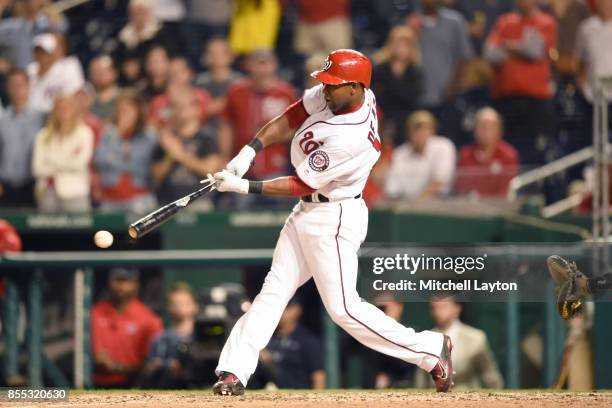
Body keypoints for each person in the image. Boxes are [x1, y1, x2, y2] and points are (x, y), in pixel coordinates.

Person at [210, 49, 453, 396]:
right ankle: (234, 372)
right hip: (308, 212)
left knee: (343, 309)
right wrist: (251, 150)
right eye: (325, 83)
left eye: (334, 86)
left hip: (334, 216)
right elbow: (293, 115)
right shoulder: (346, 95)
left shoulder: (350, 138)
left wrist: (244, 186)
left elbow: (303, 183)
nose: (325, 90)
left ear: (355, 88)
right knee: (272, 292)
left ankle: (429, 350)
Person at [484, 0, 558, 165]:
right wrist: (520, 50)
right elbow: (490, 53)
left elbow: (534, 51)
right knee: (506, 152)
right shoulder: (504, 21)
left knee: (535, 153)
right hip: (506, 99)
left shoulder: (545, 22)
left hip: (536, 102)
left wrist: (507, 47)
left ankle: (532, 189)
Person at [217, 49, 297, 198]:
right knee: (240, 212)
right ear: (248, 65)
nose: (262, 68)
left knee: (276, 213)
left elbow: (297, 129)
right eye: (258, 63)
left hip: (274, 163)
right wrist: (224, 156)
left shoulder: (286, 93)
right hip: (240, 165)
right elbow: (226, 125)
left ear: (274, 65)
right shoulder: (236, 91)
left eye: (266, 63)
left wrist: (271, 135)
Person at [407, 0, 474, 139]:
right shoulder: (410, 23)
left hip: (447, 98)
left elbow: (465, 58)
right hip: (416, 97)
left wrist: (454, 86)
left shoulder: (455, 21)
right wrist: (412, 33)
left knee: (448, 142)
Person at [91, 267, 163, 388]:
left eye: (126, 280)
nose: (121, 285)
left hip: (133, 386)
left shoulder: (148, 318)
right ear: (110, 282)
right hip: (95, 383)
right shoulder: (94, 313)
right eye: (118, 280)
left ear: (136, 284)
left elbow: (152, 364)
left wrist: (117, 367)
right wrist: (94, 360)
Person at [151, 89, 223, 208]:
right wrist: (170, 155)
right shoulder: (167, 138)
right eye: (176, 107)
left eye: (184, 106)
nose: (179, 111)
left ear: (196, 109)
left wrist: (179, 154)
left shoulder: (207, 137)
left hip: (198, 201)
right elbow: (157, 176)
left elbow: (210, 171)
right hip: (168, 202)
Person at [414, 297, 504, 389]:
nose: (438, 312)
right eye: (434, 308)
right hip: (434, 400)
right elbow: (421, 380)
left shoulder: (476, 338)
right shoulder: (426, 339)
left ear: (457, 309)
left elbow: (490, 376)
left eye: (444, 307)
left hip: (469, 400)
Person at [94, 91, 158, 213]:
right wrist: (118, 135)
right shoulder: (109, 133)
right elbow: (99, 161)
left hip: (140, 199)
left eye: (128, 110)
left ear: (138, 111)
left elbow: (140, 166)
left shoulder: (148, 136)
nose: (124, 114)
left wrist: (114, 161)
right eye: (121, 110)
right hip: (109, 199)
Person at [31, 93, 93, 212]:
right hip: (46, 192)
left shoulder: (84, 133)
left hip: (75, 193)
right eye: (59, 109)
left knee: (79, 230)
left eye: (67, 108)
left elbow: (79, 165)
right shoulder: (42, 135)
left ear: (74, 111)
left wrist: (51, 162)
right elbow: (37, 169)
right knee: (46, 230)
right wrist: (68, 160)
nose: (63, 112)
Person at [384, 110, 456, 200]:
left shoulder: (444, 146)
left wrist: (417, 202)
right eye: (416, 129)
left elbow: (440, 181)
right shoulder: (399, 154)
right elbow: (391, 188)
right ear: (408, 132)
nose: (420, 133)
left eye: (425, 128)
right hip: (405, 205)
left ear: (433, 130)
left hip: (439, 204)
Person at [371, 25, 424, 146]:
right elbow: (376, 95)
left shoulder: (415, 71)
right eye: (399, 44)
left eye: (406, 45)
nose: (402, 49)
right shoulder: (380, 69)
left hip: (406, 119)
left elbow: (413, 96)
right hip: (383, 117)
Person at [257, 299, 326, 389]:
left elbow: (319, 376)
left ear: (296, 310)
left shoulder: (307, 340)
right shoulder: (265, 337)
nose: (280, 311)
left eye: (285, 308)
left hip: (298, 398)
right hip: (266, 396)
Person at [0, 68, 44, 208]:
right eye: (13, 85)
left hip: (32, 185)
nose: (17, 89)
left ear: (28, 86)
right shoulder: (2, 120)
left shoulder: (41, 117)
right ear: (7, 88)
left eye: (21, 84)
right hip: (5, 185)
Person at [142, 282, 199, 389]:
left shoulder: (203, 337)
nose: (179, 307)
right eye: (175, 303)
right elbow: (147, 370)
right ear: (169, 307)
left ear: (195, 306)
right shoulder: (160, 339)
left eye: (184, 303)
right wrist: (163, 366)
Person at [455, 107, 519, 197]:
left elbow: (505, 189)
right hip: (470, 207)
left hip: (499, 207)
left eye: (491, 127)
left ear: (499, 130)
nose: (486, 131)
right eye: (482, 126)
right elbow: (462, 187)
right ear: (475, 129)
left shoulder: (508, 155)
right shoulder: (465, 154)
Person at [27, 33, 85, 113]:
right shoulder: (30, 70)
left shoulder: (68, 66)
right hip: (33, 115)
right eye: (37, 51)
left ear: (52, 53)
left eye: (44, 52)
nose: (40, 55)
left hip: (58, 114)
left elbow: (76, 92)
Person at [195, 38, 242, 120]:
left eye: (220, 53)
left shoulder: (240, 82)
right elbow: (197, 110)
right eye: (211, 53)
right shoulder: (199, 81)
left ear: (231, 56)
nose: (215, 57)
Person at [575, 0, 612, 103]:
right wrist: (583, 86)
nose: (606, 5)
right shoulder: (586, 28)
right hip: (592, 94)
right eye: (602, 2)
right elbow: (579, 60)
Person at [89, 55, 121, 121]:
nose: (98, 75)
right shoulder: (87, 101)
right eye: (95, 71)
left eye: (103, 71)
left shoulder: (123, 99)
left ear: (115, 73)